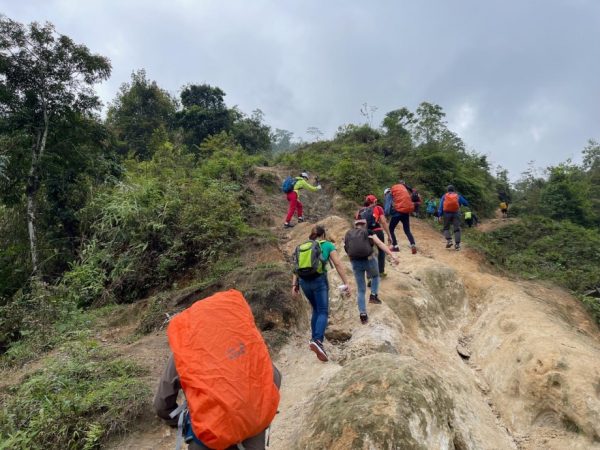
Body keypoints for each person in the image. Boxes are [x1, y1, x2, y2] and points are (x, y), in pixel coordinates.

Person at [155, 290, 281, 450]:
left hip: (209, 438)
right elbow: (275, 376)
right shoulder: (242, 340)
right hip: (252, 430)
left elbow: (161, 404)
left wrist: (186, 419)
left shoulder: (184, 352)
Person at [291, 224, 352, 362]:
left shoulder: (303, 246)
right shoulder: (328, 245)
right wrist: (346, 282)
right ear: (323, 234)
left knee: (316, 310)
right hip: (319, 280)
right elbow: (337, 263)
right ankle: (318, 341)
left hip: (304, 282)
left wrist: (294, 285)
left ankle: (314, 340)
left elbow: (295, 267)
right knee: (323, 311)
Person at [344, 217, 399, 324]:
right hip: (369, 260)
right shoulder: (368, 232)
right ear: (365, 224)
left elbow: (347, 248)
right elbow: (380, 244)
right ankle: (373, 295)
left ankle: (363, 315)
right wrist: (392, 254)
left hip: (355, 262)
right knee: (375, 276)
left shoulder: (349, 234)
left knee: (361, 290)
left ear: (355, 225)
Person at [356, 194, 392, 276]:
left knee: (368, 253)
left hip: (366, 233)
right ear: (374, 201)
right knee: (381, 251)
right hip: (377, 231)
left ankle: (369, 275)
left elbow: (357, 224)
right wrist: (389, 235)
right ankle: (381, 271)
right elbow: (383, 222)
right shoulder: (378, 208)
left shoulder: (360, 211)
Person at [389, 180, 418, 254]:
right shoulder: (406, 190)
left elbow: (390, 200)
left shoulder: (394, 188)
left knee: (391, 229)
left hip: (398, 211)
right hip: (406, 212)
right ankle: (413, 244)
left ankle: (395, 246)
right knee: (407, 230)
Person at [438, 185, 469, 250]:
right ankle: (457, 245)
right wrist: (460, 203)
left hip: (446, 214)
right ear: (453, 190)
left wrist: (440, 215)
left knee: (446, 228)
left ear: (447, 190)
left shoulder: (444, 196)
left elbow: (441, 206)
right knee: (457, 229)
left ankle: (449, 241)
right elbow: (466, 203)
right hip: (456, 213)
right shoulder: (458, 196)